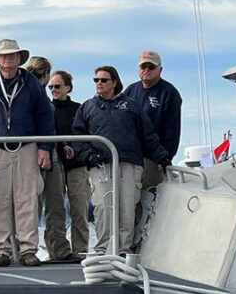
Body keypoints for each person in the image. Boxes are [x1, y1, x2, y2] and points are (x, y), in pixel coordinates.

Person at [0, 39, 55, 267]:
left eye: (13, 55)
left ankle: (28, 249)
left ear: (19, 58)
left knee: (28, 199)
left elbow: (45, 115)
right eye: (4, 56)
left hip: (26, 147)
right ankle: (1, 250)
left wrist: (45, 147)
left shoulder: (30, 83)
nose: (8, 59)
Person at [72, 65, 171, 253]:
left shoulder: (132, 106)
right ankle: (103, 248)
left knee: (127, 208)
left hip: (129, 163)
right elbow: (78, 137)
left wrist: (163, 158)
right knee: (103, 207)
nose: (99, 83)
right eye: (96, 80)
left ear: (114, 82)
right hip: (101, 165)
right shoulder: (87, 107)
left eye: (103, 80)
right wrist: (89, 156)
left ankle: (124, 248)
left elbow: (147, 135)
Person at [25, 56, 70, 261]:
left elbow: (50, 126)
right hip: (31, 153)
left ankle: (58, 250)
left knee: (56, 203)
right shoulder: (25, 95)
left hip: (51, 152)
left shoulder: (44, 99)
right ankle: (27, 250)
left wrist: (61, 145)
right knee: (32, 206)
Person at [121, 50, 183, 189]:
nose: (147, 70)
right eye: (143, 67)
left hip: (153, 159)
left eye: (151, 67)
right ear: (138, 68)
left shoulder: (169, 93)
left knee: (149, 199)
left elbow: (173, 129)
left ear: (160, 69)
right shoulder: (130, 91)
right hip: (130, 158)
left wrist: (165, 158)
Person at [48, 70, 89, 261]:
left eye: (57, 86)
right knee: (54, 210)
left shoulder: (79, 109)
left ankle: (81, 251)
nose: (53, 90)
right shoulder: (47, 108)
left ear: (68, 87)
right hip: (54, 165)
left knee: (79, 210)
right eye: (51, 87)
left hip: (77, 165)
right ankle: (56, 252)